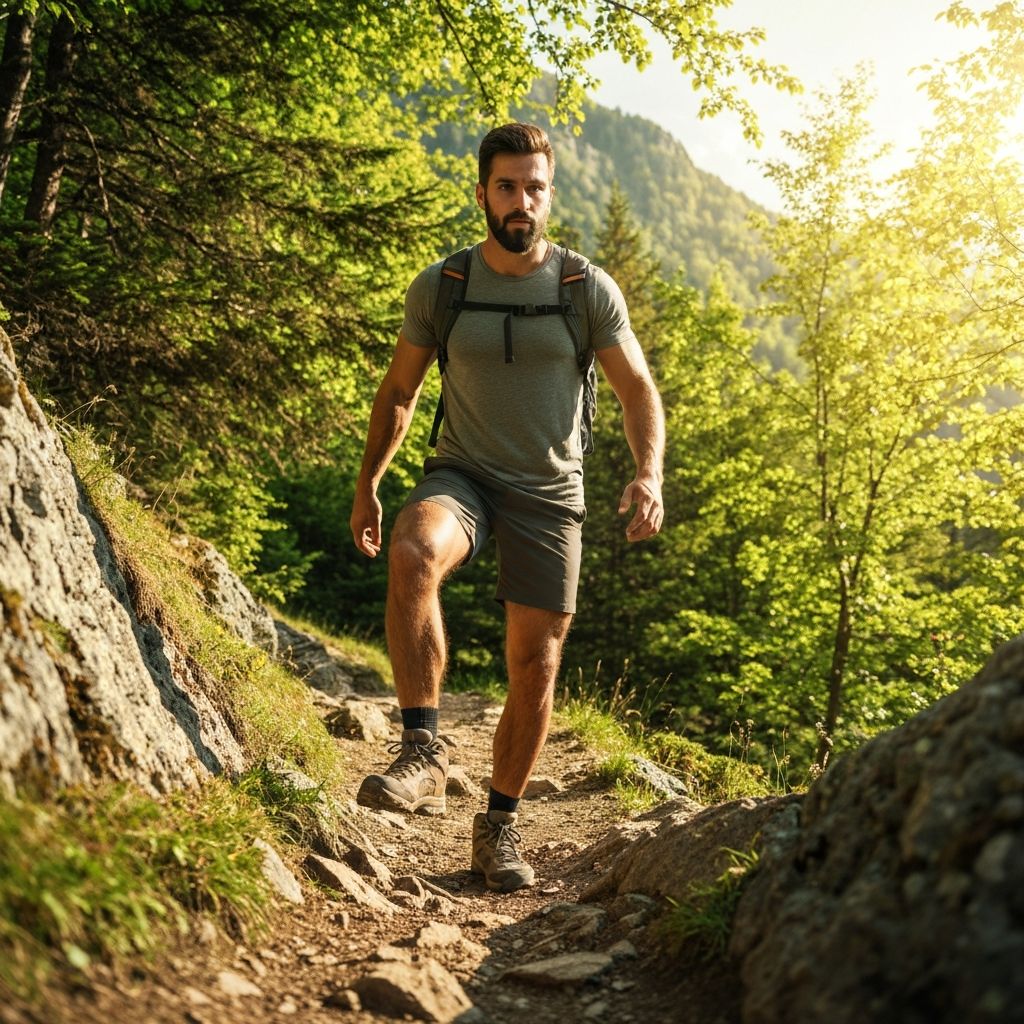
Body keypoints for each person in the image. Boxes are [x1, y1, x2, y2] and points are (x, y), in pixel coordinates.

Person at [349, 122, 664, 893]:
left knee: (537, 665)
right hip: (463, 475)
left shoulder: (585, 288)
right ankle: (422, 751)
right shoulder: (445, 286)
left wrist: (649, 474)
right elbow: (399, 392)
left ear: (550, 193)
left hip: (551, 494)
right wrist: (369, 483)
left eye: (536, 187)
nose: (522, 202)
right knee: (415, 551)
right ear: (483, 192)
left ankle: (499, 825)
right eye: (507, 187)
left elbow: (637, 392)